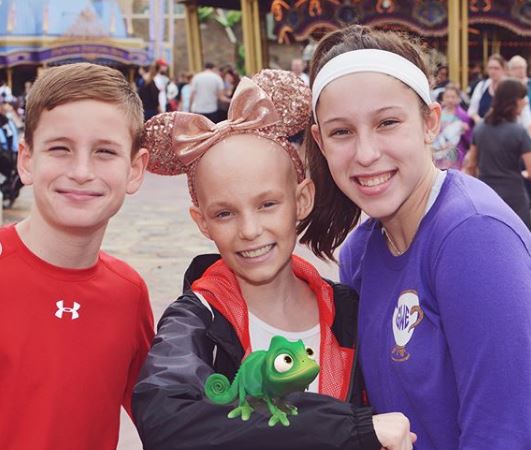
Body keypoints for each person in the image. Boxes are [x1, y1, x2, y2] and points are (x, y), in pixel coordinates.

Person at [133, 69, 415, 450]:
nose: (250, 230)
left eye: (267, 205)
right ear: (201, 222)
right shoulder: (195, 319)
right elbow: (165, 420)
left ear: (301, 200)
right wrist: (347, 429)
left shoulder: (348, 311)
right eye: (224, 213)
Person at [301, 24, 531, 450]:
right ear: (319, 140)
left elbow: (504, 431)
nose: (366, 153)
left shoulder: (474, 238)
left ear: (430, 122)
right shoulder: (360, 252)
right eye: (341, 132)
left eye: (388, 122)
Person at [0, 62, 154, 450]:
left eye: (105, 151)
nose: (82, 171)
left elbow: (163, 417)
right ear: (27, 159)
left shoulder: (128, 293)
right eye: (60, 149)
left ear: (135, 170)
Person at [464, 78, 531, 228]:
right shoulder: (519, 132)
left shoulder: (480, 128)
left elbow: (471, 165)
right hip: (515, 199)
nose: (525, 102)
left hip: (485, 197)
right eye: (522, 98)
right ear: (514, 101)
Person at [432, 83, 473, 169]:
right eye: (447, 97)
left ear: (458, 98)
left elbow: (470, 139)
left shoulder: (463, 116)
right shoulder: (438, 114)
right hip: (439, 153)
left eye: (453, 97)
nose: (450, 100)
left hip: (456, 154)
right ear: (443, 98)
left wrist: (466, 130)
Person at [467, 53, 507, 123]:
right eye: (490, 68)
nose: (493, 71)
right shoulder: (481, 86)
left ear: (503, 69)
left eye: (496, 68)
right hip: (483, 129)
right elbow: (472, 110)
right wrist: (478, 120)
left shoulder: (510, 87)